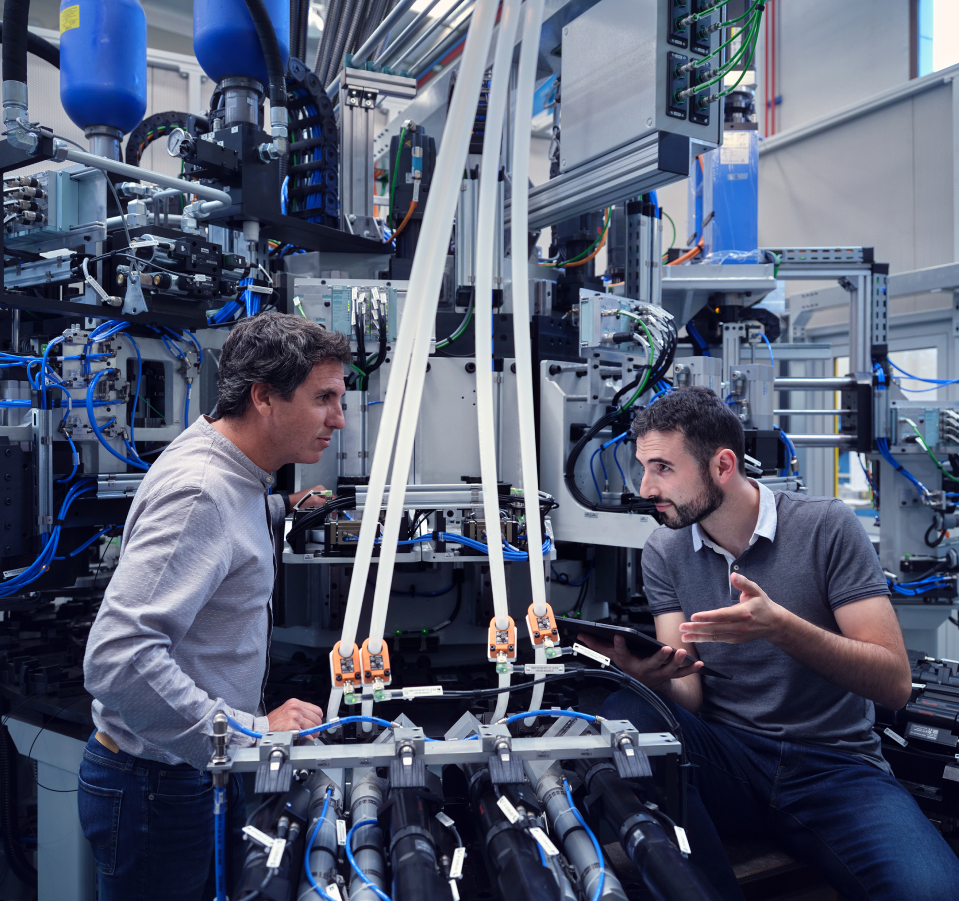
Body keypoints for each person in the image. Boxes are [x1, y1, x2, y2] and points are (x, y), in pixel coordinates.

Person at [578, 386, 959, 901]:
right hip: (729, 761)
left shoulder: (826, 526)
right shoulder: (665, 550)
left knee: (932, 891)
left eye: (663, 468)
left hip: (835, 768)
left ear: (722, 465)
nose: (646, 486)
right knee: (629, 708)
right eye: (643, 467)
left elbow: (892, 684)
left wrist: (780, 626)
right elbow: (688, 689)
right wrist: (653, 677)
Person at [79, 312, 351, 900]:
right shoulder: (201, 492)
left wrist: (284, 509)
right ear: (264, 398)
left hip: (190, 770)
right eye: (323, 398)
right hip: (158, 785)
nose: (339, 418)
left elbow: (224, 537)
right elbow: (117, 659)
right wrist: (251, 734)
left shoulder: (239, 476)